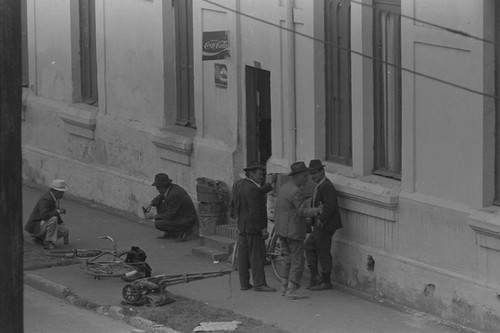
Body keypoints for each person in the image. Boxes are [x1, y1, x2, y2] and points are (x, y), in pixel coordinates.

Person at [274, 162, 322, 300]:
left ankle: (284, 287)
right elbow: (302, 211)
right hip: (292, 230)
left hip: (282, 229)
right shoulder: (296, 191)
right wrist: (317, 211)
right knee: (298, 260)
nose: (307, 178)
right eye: (305, 175)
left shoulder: (285, 187)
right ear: (297, 176)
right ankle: (292, 289)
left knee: (288, 258)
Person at [230, 163, 277, 292]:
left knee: (243, 255)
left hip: (242, 226)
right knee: (256, 255)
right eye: (259, 175)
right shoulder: (252, 188)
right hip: (253, 228)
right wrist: (262, 229)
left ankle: (244, 283)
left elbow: (255, 194)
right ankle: (259, 283)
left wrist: (269, 185)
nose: (261, 177)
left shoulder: (240, 184)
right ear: (251, 174)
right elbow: (255, 211)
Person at [304, 159, 343, 291]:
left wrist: (321, 220)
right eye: (311, 174)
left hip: (325, 225)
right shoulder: (320, 185)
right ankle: (315, 276)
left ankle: (326, 281)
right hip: (320, 224)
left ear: (322, 171)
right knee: (310, 246)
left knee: (323, 252)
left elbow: (330, 206)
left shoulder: (326, 186)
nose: (312, 176)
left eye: (314, 173)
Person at [144, 173, 198, 241]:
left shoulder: (174, 195)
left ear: (161, 187)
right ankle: (171, 233)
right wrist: (151, 203)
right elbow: (161, 196)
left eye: (157, 187)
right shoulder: (170, 189)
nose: (157, 189)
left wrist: (153, 216)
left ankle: (183, 231)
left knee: (158, 224)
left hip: (186, 219)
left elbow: (169, 215)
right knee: (159, 204)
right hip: (179, 215)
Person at [25, 179, 70, 250]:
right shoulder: (46, 199)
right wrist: (58, 211)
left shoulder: (55, 199)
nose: (62, 194)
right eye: (61, 192)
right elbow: (44, 215)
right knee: (53, 219)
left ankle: (41, 238)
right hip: (36, 225)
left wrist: (61, 223)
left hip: (43, 224)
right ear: (56, 191)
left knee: (64, 230)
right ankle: (48, 242)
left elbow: (54, 213)